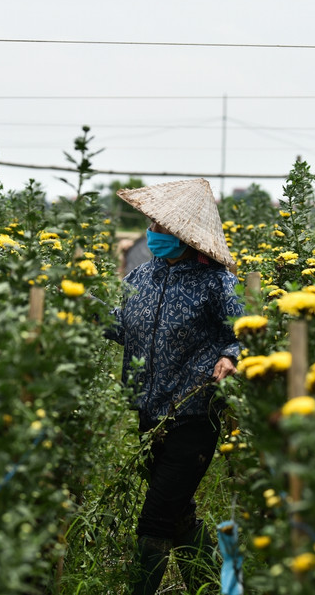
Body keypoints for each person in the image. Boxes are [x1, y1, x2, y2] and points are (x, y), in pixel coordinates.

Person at [104, 178, 244, 595]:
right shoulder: (142, 277)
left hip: (194, 414)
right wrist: (78, 311)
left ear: (184, 235)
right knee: (178, 513)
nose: (152, 233)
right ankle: (210, 585)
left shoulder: (215, 282)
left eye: (160, 228)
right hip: (149, 412)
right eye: (151, 225)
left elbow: (244, 330)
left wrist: (230, 355)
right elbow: (120, 325)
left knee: (154, 521)